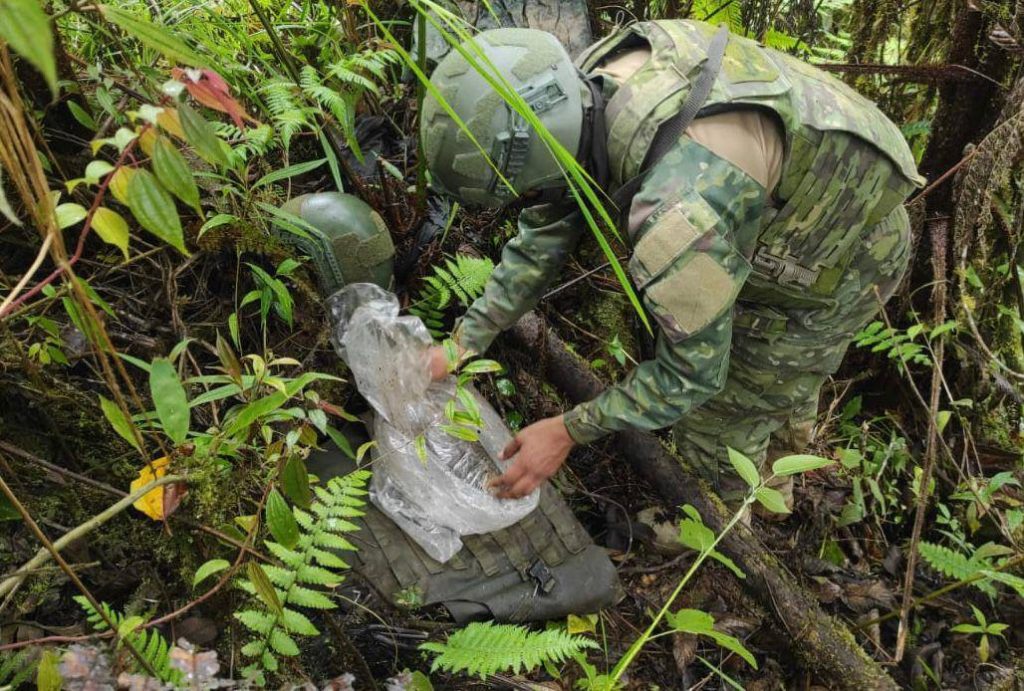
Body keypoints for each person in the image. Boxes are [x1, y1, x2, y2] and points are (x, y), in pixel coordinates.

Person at [418, 19, 924, 507]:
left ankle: (745, 524)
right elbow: (552, 224)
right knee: (768, 378)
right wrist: (466, 341)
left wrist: (568, 430)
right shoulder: (593, 79)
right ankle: (785, 448)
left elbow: (692, 376)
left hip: (847, 251)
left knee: (720, 418)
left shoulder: (677, 214)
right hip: (779, 199)